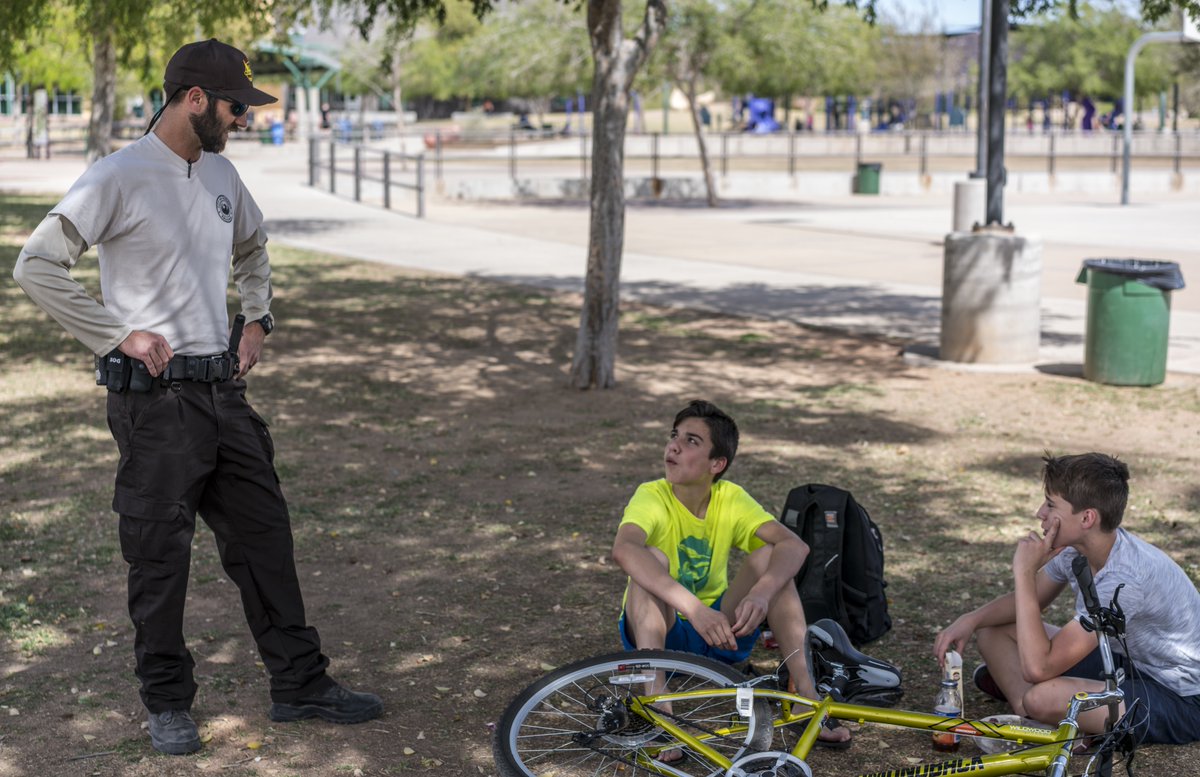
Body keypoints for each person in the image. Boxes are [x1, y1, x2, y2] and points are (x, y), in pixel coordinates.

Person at [12, 38, 382, 756]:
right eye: (235, 106)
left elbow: (253, 247)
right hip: (155, 406)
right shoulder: (117, 176)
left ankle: (300, 684)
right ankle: (167, 702)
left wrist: (258, 317)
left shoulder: (222, 174)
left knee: (266, 540)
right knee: (159, 557)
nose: (244, 118)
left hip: (223, 396)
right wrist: (117, 334)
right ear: (193, 99)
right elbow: (37, 265)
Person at [611, 400, 852, 754]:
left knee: (771, 557)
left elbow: (795, 546)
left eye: (691, 441)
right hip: (662, 633)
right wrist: (695, 610)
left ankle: (807, 699)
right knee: (651, 557)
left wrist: (762, 593)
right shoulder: (652, 495)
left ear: (717, 464)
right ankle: (660, 712)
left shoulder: (730, 498)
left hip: (720, 635)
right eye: (674, 436)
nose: (674, 446)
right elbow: (624, 549)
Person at [933, 453, 1200, 745]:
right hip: (1128, 664)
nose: (1040, 513)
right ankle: (1036, 716)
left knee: (1042, 695)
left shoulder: (1124, 580)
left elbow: (1037, 668)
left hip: (1181, 697)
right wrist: (970, 620)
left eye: (1050, 505)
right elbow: (1033, 599)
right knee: (992, 630)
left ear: (1087, 518)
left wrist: (1024, 571)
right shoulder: (1079, 548)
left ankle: (1044, 709)